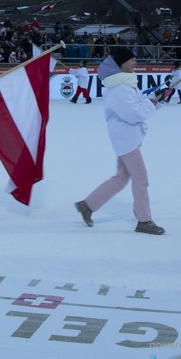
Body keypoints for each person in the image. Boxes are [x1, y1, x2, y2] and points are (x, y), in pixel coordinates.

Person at [75, 48, 171, 235]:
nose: (135, 63)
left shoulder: (125, 84)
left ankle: (87, 205)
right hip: (126, 139)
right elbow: (133, 113)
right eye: (132, 61)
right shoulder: (119, 89)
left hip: (126, 137)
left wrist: (157, 100)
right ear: (121, 64)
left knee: (121, 177)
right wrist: (152, 103)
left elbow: (139, 104)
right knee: (141, 178)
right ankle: (144, 220)